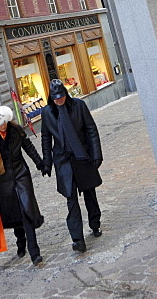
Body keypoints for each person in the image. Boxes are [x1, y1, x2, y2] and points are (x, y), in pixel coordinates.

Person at [40, 79, 102, 253]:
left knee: (90, 193)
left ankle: (95, 224)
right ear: (51, 98)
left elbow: (91, 129)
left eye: (61, 96)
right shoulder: (47, 113)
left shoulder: (79, 106)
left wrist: (96, 154)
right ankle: (77, 239)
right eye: (56, 98)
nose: (59, 100)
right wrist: (47, 162)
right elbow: (45, 137)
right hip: (63, 160)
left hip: (82, 156)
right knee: (71, 199)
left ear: (65, 94)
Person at [0, 106, 45, 264]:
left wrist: (39, 163)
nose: (3, 125)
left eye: (5, 122)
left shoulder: (16, 130)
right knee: (15, 211)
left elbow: (28, 146)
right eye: (0, 123)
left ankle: (34, 252)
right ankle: (20, 241)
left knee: (26, 210)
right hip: (3, 179)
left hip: (21, 173)